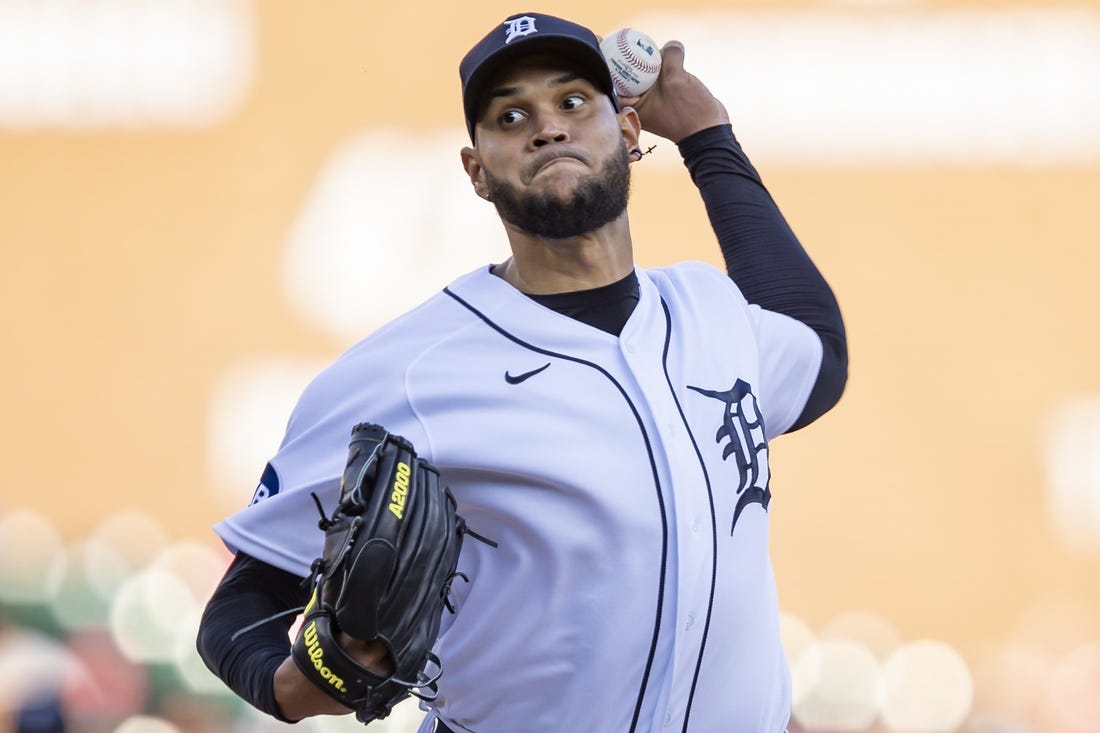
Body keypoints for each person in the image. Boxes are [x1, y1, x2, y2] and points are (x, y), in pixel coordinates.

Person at [196, 11, 847, 733]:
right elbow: (238, 608)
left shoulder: (710, 312)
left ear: (628, 132)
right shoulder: (407, 371)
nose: (548, 126)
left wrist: (707, 137)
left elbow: (817, 346)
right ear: (477, 172)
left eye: (573, 101)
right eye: (511, 116)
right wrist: (294, 687)